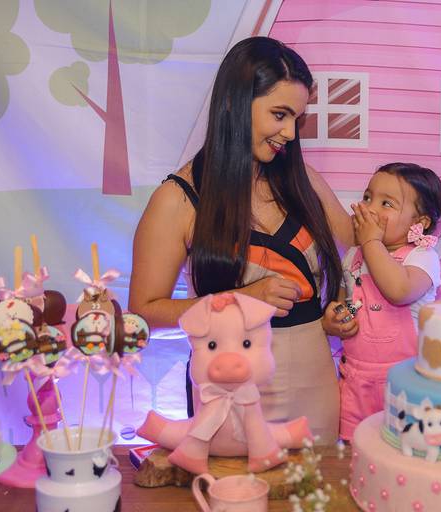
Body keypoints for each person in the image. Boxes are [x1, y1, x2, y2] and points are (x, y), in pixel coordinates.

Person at [129, 37, 353, 444]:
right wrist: (238, 301)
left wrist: (342, 308)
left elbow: (355, 253)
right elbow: (144, 311)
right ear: (233, 103)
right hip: (229, 392)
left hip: (315, 386)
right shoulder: (178, 199)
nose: (290, 133)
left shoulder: (304, 182)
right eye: (280, 115)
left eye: (297, 119)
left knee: (315, 484)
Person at [321, 162, 441, 441]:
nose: (370, 209)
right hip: (356, 381)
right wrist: (337, 317)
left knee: (403, 448)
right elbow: (353, 302)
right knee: (354, 445)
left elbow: (398, 291)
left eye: (386, 203)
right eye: (367, 197)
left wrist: (372, 243)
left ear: (420, 223)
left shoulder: (421, 258)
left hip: (405, 383)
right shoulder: (354, 256)